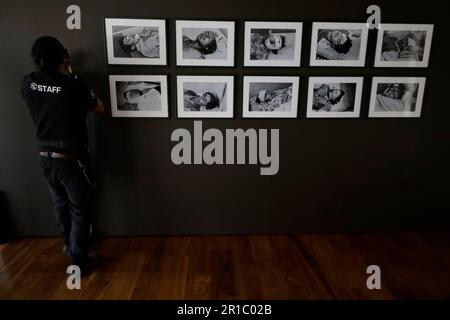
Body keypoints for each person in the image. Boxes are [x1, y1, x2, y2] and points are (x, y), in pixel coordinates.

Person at [21, 36, 105, 270]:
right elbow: (100, 108)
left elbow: (44, 99)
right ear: (64, 57)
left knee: (61, 205)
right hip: (71, 159)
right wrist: (74, 76)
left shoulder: (28, 82)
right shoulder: (74, 84)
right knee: (80, 210)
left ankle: (70, 246)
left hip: (45, 158)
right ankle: (78, 260)